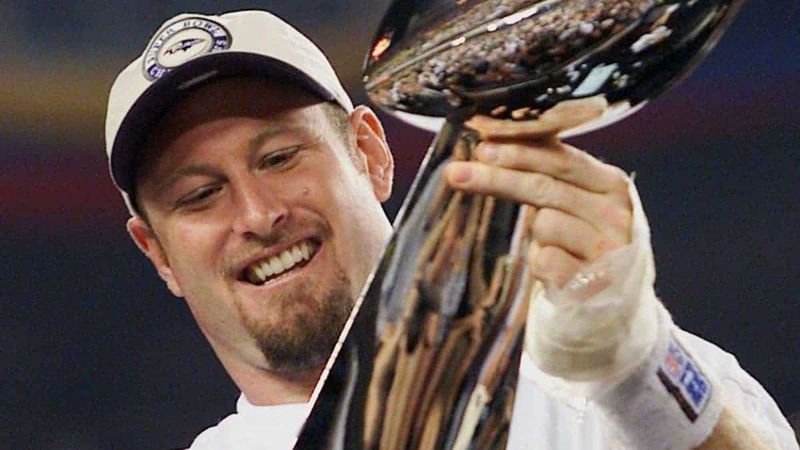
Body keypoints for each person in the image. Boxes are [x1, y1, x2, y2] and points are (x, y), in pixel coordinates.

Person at [104, 9, 797, 450]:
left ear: (370, 154)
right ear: (156, 253)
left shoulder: (601, 387)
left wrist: (635, 364)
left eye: (280, 158)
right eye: (200, 196)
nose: (258, 215)